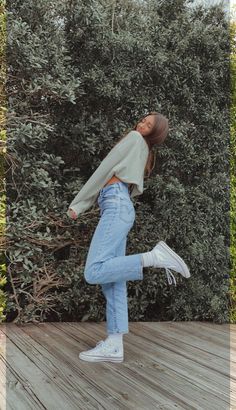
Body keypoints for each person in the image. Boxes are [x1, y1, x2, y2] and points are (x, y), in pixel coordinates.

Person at [67, 112, 191, 363]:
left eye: (148, 125)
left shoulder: (134, 139)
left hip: (115, 205)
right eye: (143, 120)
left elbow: (103, 171)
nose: (141, 125)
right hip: (120, 207)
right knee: (114, 281)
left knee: (94, 271)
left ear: (154, 133)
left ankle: (153, 257)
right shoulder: (143, 149)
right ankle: (114, 344)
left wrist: (79, 204)